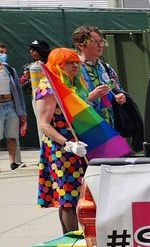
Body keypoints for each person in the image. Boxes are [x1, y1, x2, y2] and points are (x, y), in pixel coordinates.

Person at [34, 49, 89, 233]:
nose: (75, 66)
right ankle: (71, 241)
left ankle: (83, 237)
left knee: (81, 194)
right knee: (68, 198)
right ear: (58, 65)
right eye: (69, 63)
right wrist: (67, 144)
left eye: (76, 62)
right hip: (61, 149)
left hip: (79, 146)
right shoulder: (47, 87)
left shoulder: (72, 85)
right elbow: (44, 124)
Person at [72, 25, 127, 126]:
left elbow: (117, 89)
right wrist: (90, 97)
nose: (100, 45)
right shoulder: (74, 69)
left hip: (109, 127)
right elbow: (69, 103)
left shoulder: (105, 67)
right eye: (94, 42)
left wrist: (120, 96)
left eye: (101, 41)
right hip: (86, 128)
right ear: (80, 45)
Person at [0, 43, 28, 170]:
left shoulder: (10, 70)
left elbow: (17, 91)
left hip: (10, 105)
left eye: (4, 52)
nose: (3, 55)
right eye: (1, 52)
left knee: (12, 136)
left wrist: (21, 112)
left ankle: (13, 162)